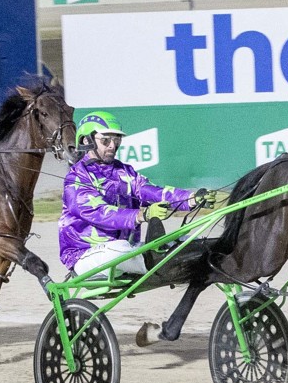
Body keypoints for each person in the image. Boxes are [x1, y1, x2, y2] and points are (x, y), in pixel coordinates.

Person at [58, 110, 216, 280]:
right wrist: (141, 215)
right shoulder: (76, 177)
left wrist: (191, 199)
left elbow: (151, 191)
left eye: (116, 140)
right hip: (85, 255)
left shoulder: (124, 171)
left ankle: (186, 262)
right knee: (119, 249)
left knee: (187, 241)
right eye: (105, 140)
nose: (112, 145)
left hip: (128, 252)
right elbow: (98, 212)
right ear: (86, 140)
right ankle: (165, 265)